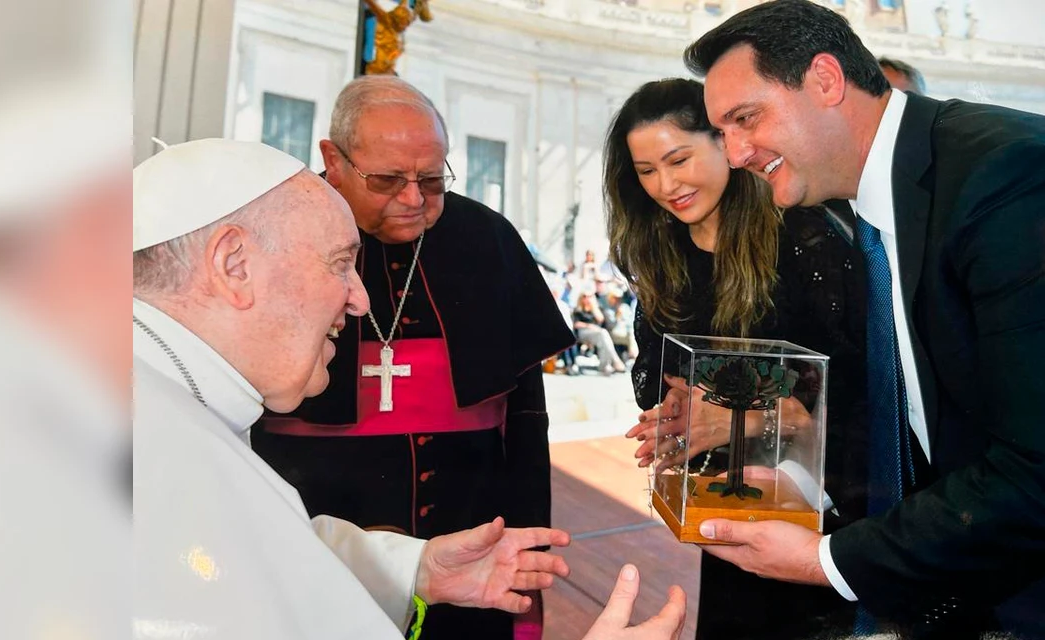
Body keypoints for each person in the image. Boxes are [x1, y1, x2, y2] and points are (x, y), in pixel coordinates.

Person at [132, 138, 686, 639]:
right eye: (340, 264)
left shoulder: (162, 408)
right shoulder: (158, 460)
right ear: (233, 264)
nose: (360, 299)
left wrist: (414, 567)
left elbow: (265, 554)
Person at [683, 1, 1045, 637]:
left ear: (825, 79)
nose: (735, 154)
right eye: (723, 133)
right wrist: (797, 476)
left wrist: (826, 561)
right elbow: (927, 416)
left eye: (746, 118)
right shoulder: (880, 201)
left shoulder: (1008, 179)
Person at [248, 76, 574, 639]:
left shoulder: (488, 238)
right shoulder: (274, 234)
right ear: (334, 159)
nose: (413, 199)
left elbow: (526, 422)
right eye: (388, 179)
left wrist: (526, 566)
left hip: (471, 541)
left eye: (431, 179)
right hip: (312, 530)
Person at [605, 78, 867, 639]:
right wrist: (672, 413)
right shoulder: (661, 252)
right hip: (725, 506)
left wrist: (758, 415)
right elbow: (656, 371)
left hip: (826, 517)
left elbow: (863, 388)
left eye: (679, 159)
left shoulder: (804, 237)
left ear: (724, 142)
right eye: (646, 171)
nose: (666, 185)